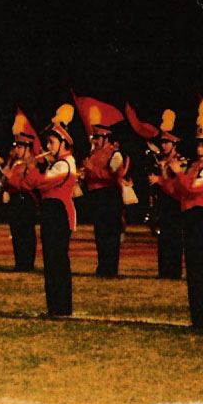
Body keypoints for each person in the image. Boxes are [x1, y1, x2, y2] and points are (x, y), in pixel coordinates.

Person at [153, 99, 203, 330]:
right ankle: (198, 317)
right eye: (199, 145)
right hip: (191, 218)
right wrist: (165, 180)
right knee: (194, 270)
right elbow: (179, 192)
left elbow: (192, 189)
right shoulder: (195, 167)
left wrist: (177, 174)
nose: (200, 149)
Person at [23, 104, 77, 317]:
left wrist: (32, 167)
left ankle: (61, 307)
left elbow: (40, 183)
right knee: (50, 261)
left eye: (51, 142)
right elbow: (30, 184)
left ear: (63, 143)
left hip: (59, 213)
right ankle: (54, 307)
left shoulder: (65, 164)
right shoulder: (56, 164)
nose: (47, 146)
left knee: (57, 261)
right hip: (50, 213)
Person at [81, 114, 127, 278]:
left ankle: (110, 268)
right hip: (97, 196)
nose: (95, 141)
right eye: (94, 137)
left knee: (110, 233)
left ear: (106, 138)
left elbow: (113, 176)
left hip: (109, 195)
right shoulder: (94, 153)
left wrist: (91, 169)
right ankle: (102, 266)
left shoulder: (115, 154)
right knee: (100, 233)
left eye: (98, 138)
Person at [0, 111, 40, 272]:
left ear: (27, 148)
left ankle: (27, 263)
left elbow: (27, 184)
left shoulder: (30, 164)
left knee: (26, 232)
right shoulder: (15, 163)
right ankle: (19, 262)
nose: (17, 149)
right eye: (16, 146)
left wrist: (10, 178)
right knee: (16, 232)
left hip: (25, 200)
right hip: (15, 200)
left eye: (20, 147)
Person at [149, 110, 186, 279]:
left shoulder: (181, 161)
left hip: (174, 203)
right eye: (162, 142)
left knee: (174, 237)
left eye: (167, 142)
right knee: (163, 238)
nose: (163, 145)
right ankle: (163, 270)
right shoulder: (159, 160)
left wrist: (160, 181)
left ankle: (173, 271)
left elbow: (179, 185)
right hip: (162, 202)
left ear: (174, 143)